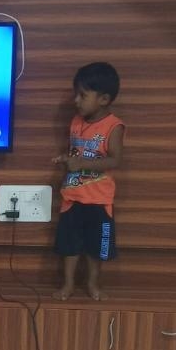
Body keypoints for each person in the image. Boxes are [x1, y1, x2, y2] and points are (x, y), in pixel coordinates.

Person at [52, 62, 125, 301]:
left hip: (99, 200)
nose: (76, 100)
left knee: (95, 248)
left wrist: (82, 164)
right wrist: (67, 159)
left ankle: (93, 284)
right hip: (72, 197)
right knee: (69, 245)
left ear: (104, 99)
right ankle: (68, 284)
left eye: (83, 95)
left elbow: (115, 160)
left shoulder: (114, 126)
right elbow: (76, 153)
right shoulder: (76, 121)